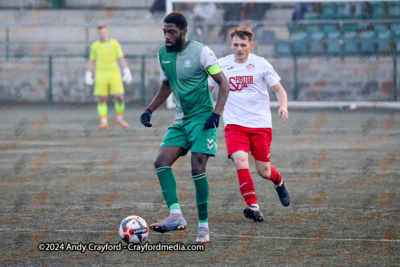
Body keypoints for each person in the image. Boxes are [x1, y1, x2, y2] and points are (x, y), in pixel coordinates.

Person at [140, 12, 229, 243]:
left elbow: (223, 83)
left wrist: (216, 113)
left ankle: (203, 227)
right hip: (181, 120)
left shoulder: (201, 51)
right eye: (164, 32)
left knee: (197, 167)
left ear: (184, 31)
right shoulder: (163, 54)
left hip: (203, 119)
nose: (167, 37)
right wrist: (149, 109)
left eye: (172, 32)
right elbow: (166, 85)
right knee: (161, 162)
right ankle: (176, 215)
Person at [208, 26, 291, 222]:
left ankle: (279, 181)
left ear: (251, 46)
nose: (238, 48)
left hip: (260, 125)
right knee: (240, 161)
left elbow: (279, 89)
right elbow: (208, 90)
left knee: (263, 171)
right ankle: (253, 206)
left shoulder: (261, 64)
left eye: (243, 45)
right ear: (231, 45)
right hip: (234, 125)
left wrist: (283, 106)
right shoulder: (221, 65)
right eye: (235, 44)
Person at [85, 25, 132, 130]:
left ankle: (119, 118)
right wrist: (88, 73)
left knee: (119, 97)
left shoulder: (114, 44)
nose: (102, 34)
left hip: (114, 74)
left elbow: (120, 58)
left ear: (106, 32)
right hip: (101, 74)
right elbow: (92, 61)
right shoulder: (95, 46)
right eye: (100, 33)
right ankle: (104, 122)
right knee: (102, 98)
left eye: (104, 32)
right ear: (98, 34)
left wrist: (126, 71)